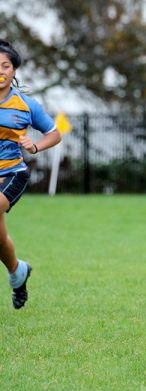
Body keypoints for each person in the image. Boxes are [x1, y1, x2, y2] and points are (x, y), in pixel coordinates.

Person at [0, 39, 61, 309]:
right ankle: (17, 272)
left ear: (14, 70)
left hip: (13, 173)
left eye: (5, 66)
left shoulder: (25, 104)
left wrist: (34, 146)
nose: (0, 71)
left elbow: (55, 133)